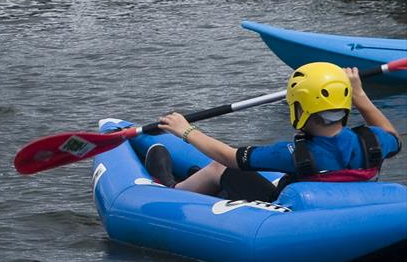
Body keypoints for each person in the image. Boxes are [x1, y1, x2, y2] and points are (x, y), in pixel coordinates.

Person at [145, 62, 402, 202]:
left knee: (217, 168)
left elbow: (230, 157)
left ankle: (173, 190)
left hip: (288, 208)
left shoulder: (291, 155)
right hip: (343, 201)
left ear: (300, 110)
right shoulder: (373, 142)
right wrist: (360, 95)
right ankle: (204, 182)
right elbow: (392, 136)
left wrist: (186, 129)